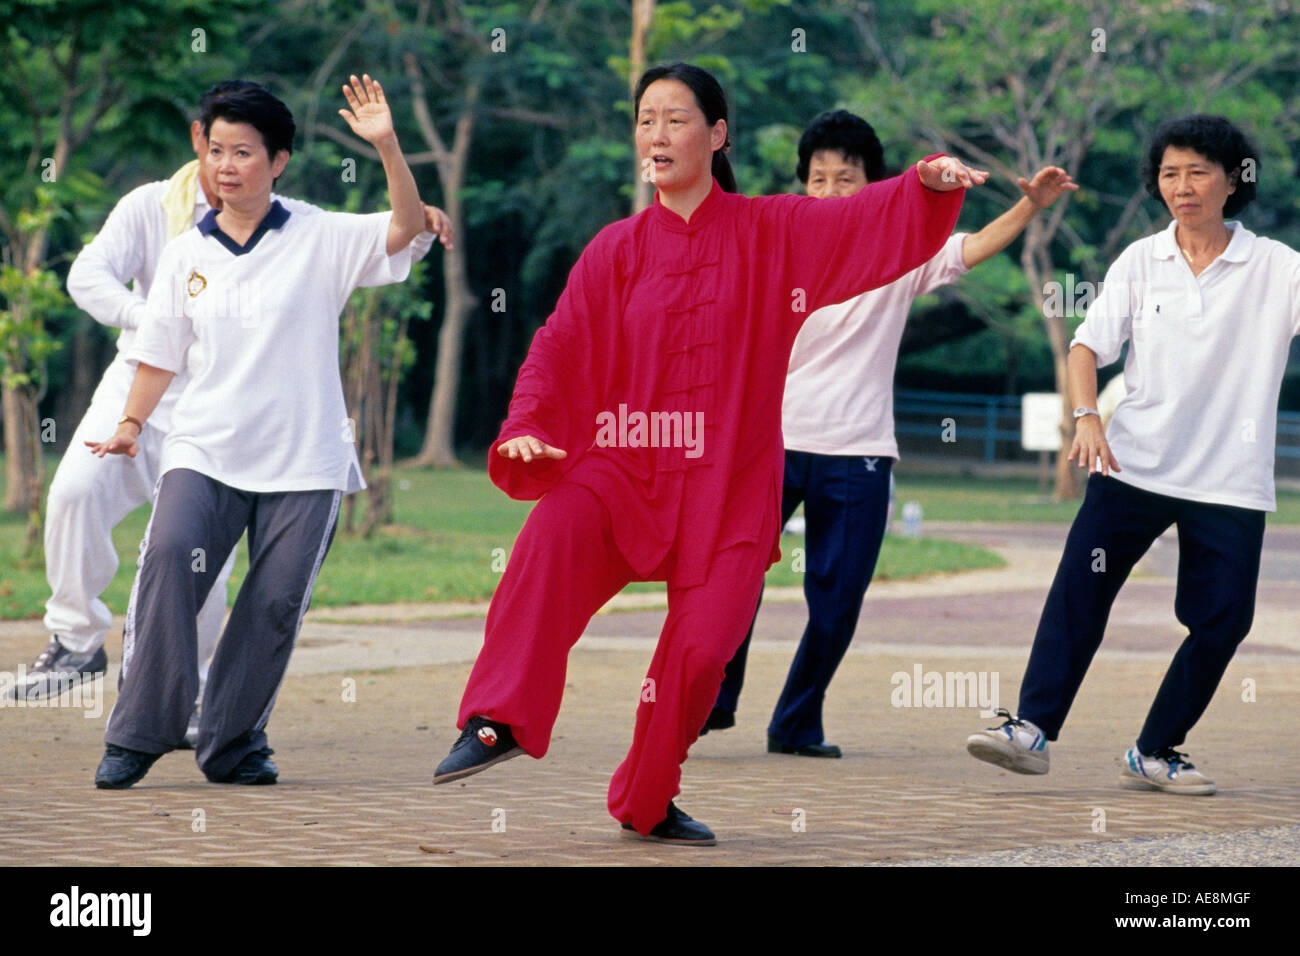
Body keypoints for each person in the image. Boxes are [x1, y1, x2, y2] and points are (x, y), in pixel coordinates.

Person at [432, 63, 985, 845]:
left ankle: (647, 799)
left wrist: (923, 187)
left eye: (677, 120)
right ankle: (499, 719)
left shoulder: (773, 232)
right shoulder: (616, 249)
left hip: (730, 485)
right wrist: (527, 421)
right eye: (646, 119)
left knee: (699, 658)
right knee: (551, 535)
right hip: (625, 465)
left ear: (717, 134)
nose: (657, 135)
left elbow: (856, 226)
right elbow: (558, 345)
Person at [10, 83, 452, 755]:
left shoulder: (314, 233)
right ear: (197, 142)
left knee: (247, 592)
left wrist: (389, 149)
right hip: (169, 403)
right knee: (112, 517)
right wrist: (143, 373)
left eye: (242, 151)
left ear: (277, 160)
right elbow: (117, 307)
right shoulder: (163, 219)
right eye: (216, 148)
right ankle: (101, 677)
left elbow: (400, 228)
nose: (224, 164)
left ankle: (219, 725)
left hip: (281, 441)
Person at [701, 110, 1076, 756]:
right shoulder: (776, 248)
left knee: (837, 601)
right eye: (817, 179)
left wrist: (1030, 207)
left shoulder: (901, 255)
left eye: (845, 179)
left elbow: (975, 244)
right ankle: (713, 699)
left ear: (875, 186)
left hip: (859, 453)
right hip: (773, 443)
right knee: (735, 578)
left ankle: (796, 721)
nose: (829, 191)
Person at [966, 115, 1298, 795]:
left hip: (1229, 481)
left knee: (1224, 620)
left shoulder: (1277, 269)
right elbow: (1085, 347)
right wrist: (1087, 418)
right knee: (1080, 593)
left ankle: (1155, 750)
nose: (1182, 186)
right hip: (1134, 465)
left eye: (1199, 171)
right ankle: (1029, 729)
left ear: (1234, 180)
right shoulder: (1142, 261)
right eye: (1170, 173)